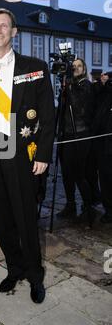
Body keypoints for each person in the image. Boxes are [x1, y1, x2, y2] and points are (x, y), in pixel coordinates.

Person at [0, 8, 55, 304]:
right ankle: (14, 267)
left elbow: (48, 115)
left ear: (14, 32)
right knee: (3, 217)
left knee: (25, 215)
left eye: (4, 26)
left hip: (21, 151)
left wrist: (43, 153)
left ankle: (34, 273)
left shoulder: (36, 67)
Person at [57, 58, 96, 225]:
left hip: (81, 135)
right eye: (73, 66)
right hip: (67, 134)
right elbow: (63, 106)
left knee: (80, 174)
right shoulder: (70, 85)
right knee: (66, 173)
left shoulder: (86, 85)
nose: (76, 68)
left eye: (79, 66)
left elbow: (79, 108)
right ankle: (70, 204)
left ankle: (88, 208)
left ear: (84, 68)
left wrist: (70, 86)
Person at [92, 72, 112, 223]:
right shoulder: (102, 90)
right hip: (102, 142)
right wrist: (102, 84)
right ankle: (109, 210)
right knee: (104, 177)